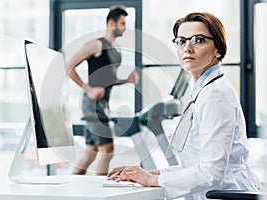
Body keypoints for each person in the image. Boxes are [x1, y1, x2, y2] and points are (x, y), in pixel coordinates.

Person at [107, 12, 263, 199]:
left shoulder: (215, 95)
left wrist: (151, 180)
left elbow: (211, 172)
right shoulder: (203, 90)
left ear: (218, 50)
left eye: (198, 40)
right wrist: (146, 174)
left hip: (226, 194)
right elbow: (192, 165)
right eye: (181, 41)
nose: (187, 48)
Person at [66, 5, 139, 176]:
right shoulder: (96, 45)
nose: (124, 27)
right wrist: (88, 89)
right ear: (111, 23)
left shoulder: (115, 50)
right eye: (122, 23)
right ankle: (99, 193)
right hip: (92, 103)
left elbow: (109, 79)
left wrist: (125, 80)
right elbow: (69, 66)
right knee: (108, 150)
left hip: (103, 103)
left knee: (91, 153)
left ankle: (69, 189)